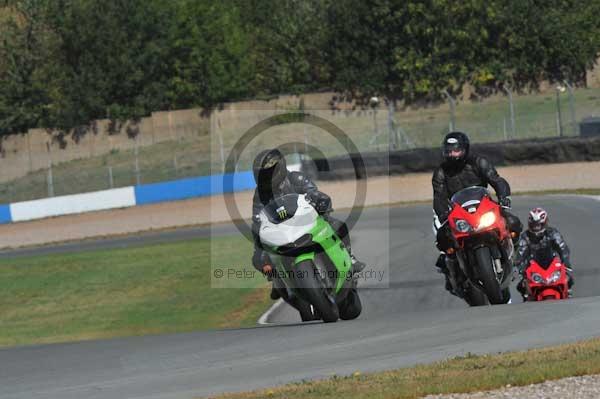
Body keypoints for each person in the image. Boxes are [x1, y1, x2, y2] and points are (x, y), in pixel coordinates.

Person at [251, 149, 365, 301]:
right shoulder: (259, 194)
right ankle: (277, 281)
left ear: (278, 168)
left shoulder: (295, 178)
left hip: (304, 220)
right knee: (259, 256)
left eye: (267, 173)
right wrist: (259, 232)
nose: (264, 178)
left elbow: (313, 191)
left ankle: (349, 258)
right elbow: (257, 217)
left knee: (337, 225)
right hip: (280, 230)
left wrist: (319, 199)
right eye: (261, 175)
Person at [432, 131, 523, 298]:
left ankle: (517, 257)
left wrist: (504, 197)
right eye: (449, 150)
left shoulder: (478, 162)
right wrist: (443, 215)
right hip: (459, 213)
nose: (452, 154)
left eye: (456, 150)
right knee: (442, 239)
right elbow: (438, 197)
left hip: (484, 206)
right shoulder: (441, 172)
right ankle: (454, 273)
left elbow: (496, 180)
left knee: (513, 222)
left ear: (465, 149)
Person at [515, 207, 573, 299]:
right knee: (521, 286)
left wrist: (566, 263)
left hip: (552, 264)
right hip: (533, 267)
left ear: (544, 223)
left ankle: (568, 293)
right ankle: (527, 299)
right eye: (534, 225)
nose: (536, 227)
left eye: (539, 225)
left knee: (569, 279)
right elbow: (520, 254)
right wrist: (521, 270)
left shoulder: (552, 233)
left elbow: (563, 248)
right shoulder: (525, 237)